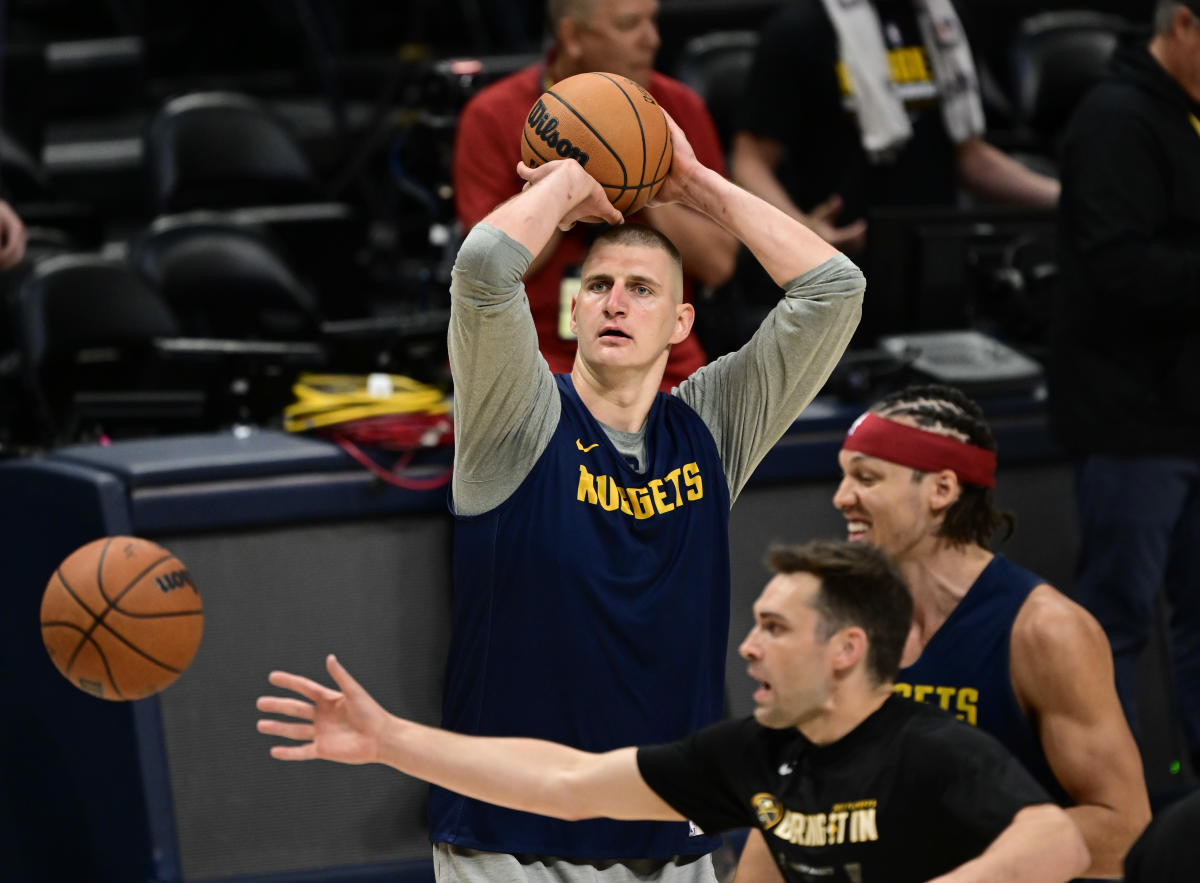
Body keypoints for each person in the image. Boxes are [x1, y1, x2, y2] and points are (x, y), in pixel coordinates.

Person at [429, 101, 863, 882]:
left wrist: (695, 184)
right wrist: (563, 185)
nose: (616, 301)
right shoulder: (517, 417)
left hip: (673, 842)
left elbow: (834, 289)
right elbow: (484, 270)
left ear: (680, 321)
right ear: (573, 308)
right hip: (515, 845)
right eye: (596, 286)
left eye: (640, 288)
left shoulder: (710, 428)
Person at [257, 540, 1091, 883]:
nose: (748, 648)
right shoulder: (759, 753)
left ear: (845, 650)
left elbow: (1059, 839)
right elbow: (567, 781)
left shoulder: (932, 748)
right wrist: (390, 739)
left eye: (774, 628)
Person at [734, 384, 1151, 882]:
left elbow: (1122, 829)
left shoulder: (1044, 630)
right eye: (844, 476)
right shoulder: (842, 619)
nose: (842, 497)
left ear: (941, 490)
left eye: (866, 478)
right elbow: (789, 808)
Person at [1049, 0, 1200, 783]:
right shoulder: (1114, 119)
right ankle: (1122, 813)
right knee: (1116, 623)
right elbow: (1118, 270)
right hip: (1130, 420)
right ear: (1181, 25)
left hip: (1189, 415)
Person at [453, 0, 737, 388]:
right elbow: (490, 271)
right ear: (572, 36)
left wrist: (644, 180)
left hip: (659, 360)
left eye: (652, 21)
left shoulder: (678, 108)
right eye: (629, 25)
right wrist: (564, 186)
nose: (651, 40)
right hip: (538, 357)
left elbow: (718, 264)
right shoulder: (492, 115)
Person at [729, 0, 1059, 253]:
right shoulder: (799, 28)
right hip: (837, 265)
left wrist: (1066, 196)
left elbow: (968, 158)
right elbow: (749, 161)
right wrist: (801, 231)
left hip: (933, 253)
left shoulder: (942, 22)